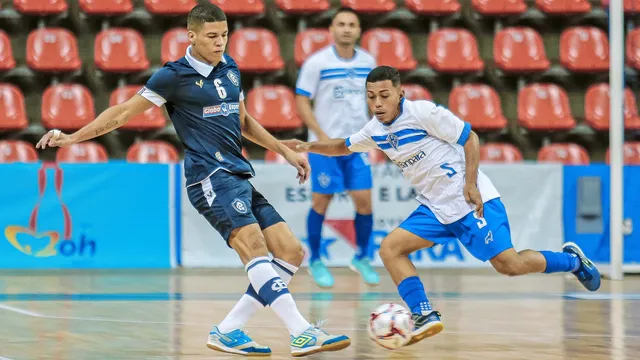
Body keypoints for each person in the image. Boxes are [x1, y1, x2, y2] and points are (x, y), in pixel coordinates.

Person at [35, 3, 351, 357]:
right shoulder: (173, 76)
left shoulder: (231, 68)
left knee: (292, 251)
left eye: (225, 35)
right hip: (208, 177)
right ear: (192, 36)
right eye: (213, 36)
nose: (220, 43)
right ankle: (301, 331)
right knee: (255, 247)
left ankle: (229, 330)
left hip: (238, 173)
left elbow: (244, 123)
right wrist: (73, 138)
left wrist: (285, 150)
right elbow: (122, 112)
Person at [283, 65, 601, 346]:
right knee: (391, 248)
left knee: (510, 265)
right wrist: (310, 145)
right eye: (370, 97)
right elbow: (344, 145)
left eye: (384, 95)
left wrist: (471, 184)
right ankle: (423, 313)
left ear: (399, 94)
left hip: (470, 200)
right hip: (435, 207)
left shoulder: (422, 113)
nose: (377, 103)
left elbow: (470, 138)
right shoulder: (375, 130)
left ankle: (572, 261)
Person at [295, 7, 379, 288]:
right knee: (321, 202)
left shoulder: (369, 62)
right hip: (326, 147)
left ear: (359, 30)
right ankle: (316, 259)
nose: (346, 29)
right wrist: (319, 134)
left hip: (357, 145)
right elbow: (302, 100)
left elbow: (376, 100)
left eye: (352, 24)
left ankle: (362, 257)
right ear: (331, 29)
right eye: (340, 24)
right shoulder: (317, 63)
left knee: (365, 203)